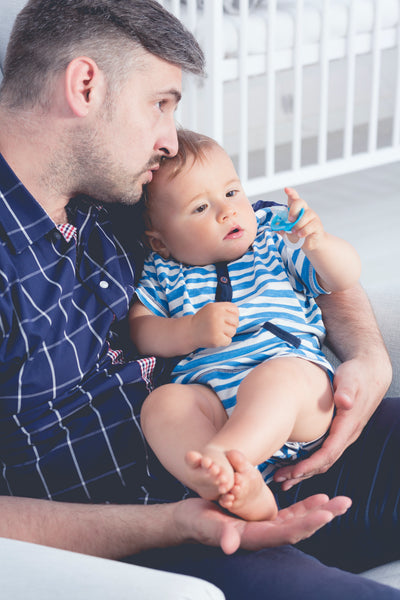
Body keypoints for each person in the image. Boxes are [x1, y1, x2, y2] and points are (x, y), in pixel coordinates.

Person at [0, 1, 399, 599]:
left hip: (276, 444)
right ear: (85, 85)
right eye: (160, 103)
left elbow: (270, 245)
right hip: (142, 545)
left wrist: (368, 355)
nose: (168, 139)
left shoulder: (125, 189)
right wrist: (174, 523)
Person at [130, 129, 361, 521]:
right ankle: (233, 483)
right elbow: (140, 332)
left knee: (277, 379)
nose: (227, 211)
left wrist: (318, 244)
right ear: (161, 242)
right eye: (200, 208)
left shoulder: (272, 240)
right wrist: (188, 331)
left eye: (232, 193)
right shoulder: (163, 272)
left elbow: (344, 276)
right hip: (217, 405)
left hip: (298, 396)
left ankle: (226, 457)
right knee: (162, 405)